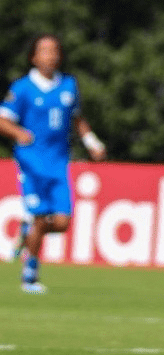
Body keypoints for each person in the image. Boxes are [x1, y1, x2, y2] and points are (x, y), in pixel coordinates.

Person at [0, 34, 107, 294]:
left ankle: (28, 232)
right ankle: (30, 275)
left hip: (59, 164)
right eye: (44, 51)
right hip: (32, 163)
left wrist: (92, 141)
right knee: (39, 216)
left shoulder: (68, 85)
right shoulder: (22, 88)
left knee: (62, 223)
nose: (51, 55)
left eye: (54, 51)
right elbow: (3, 120)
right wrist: (18, 134)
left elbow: (77, 118)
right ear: (34, 57)